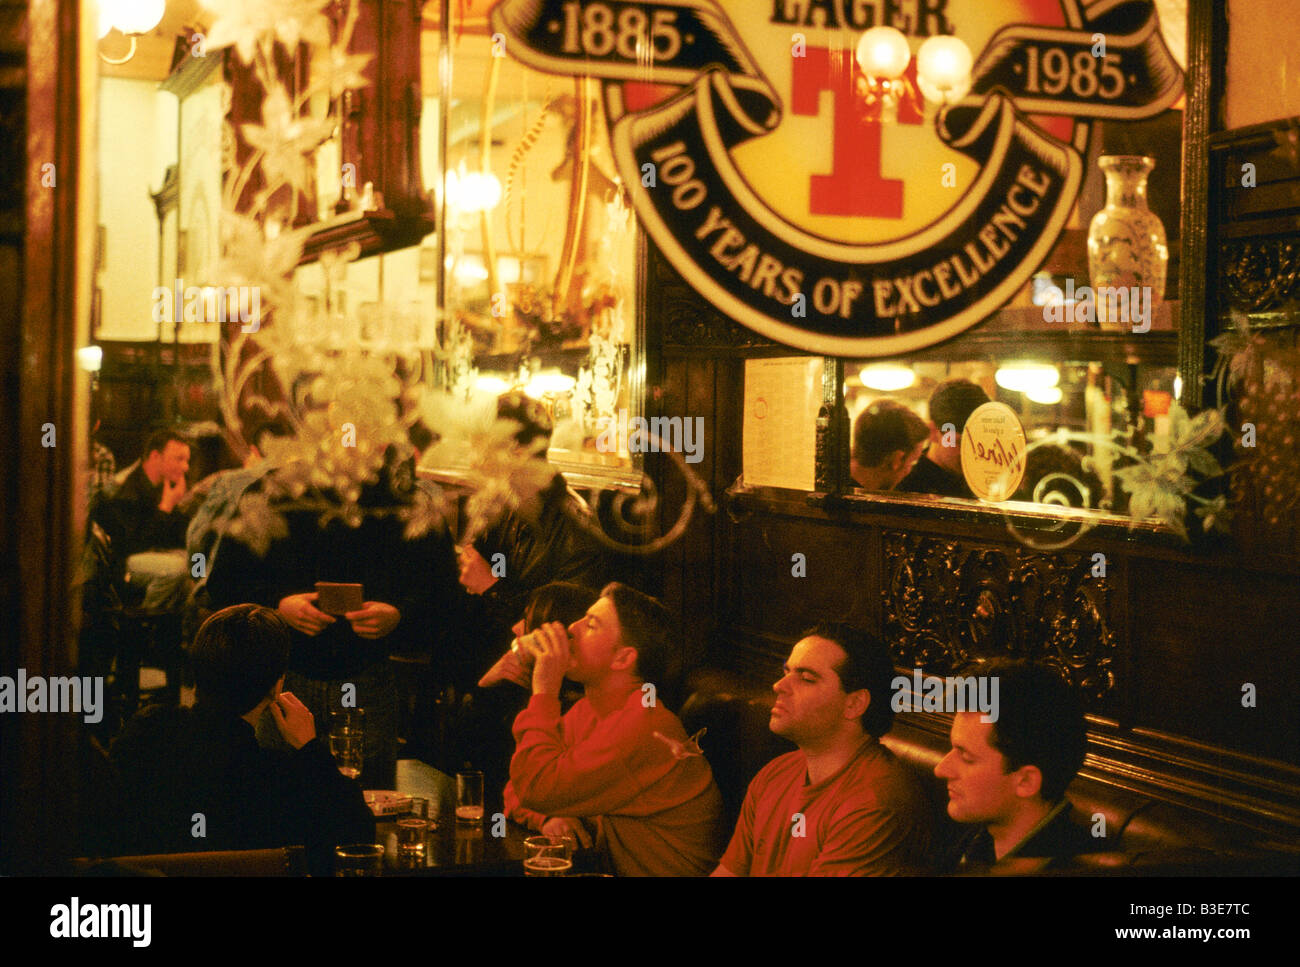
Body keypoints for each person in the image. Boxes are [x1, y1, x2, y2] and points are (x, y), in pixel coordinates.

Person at [205, 445, 463, 789]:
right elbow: (224, 582)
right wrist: (278, 607)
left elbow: (444, 590)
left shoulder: (406, 501)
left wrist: (399, 615)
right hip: (281, 678)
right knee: (277, 805)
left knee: (367, 810)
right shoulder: (275, 492)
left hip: (366, 676)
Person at [108, 604, 375, 874]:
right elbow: (359, 839)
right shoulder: (278, 779)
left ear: (197, 672)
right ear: (277, 684)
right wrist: (309, 749)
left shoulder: (144, 734)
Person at [504, 582, 725, 876]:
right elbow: (518, 787)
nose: (571, 627)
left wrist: (544, 690)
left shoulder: (645, 724)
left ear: (623, 658)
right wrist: (547, 816)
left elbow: (534, 786)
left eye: (591, 625)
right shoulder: (590, 710)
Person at [714, 623, 933, 876]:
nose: (779, 685)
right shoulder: (774, 774)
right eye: (786, 672)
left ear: (854, 703)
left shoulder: (876, 803)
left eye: (806, 678)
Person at [456, 392, 608, 659]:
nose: (473, 461)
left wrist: (491, 588)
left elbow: (564, 633)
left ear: (518, 450)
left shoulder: (576, 526)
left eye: (480, 446)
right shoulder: (501, 508)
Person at [934, 659, 1099, 871]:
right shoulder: (970, 844)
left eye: (966, 757)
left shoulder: (1077, 867)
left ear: (1026, 781)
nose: (940, 769)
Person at [93, 428, 195, 610]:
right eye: (179, 459)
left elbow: (180, 539)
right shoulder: (124, 490)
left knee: (199, 563)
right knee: (178, 569)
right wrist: (166, 508)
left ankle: (179, 631)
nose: (185, 467)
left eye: (187, 460)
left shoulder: (163, 486)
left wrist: (180, 506)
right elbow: (132, 545)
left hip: (152, 554)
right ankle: (142, 624)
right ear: (156, 457)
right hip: (120, 566)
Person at [897, 379, 990, 499]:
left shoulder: (983, 483)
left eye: (979, 443)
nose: (971, 453)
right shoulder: (907, 489)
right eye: (959, 442)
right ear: (933, 433)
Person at [849, 400, 931, 491]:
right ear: (897, 459)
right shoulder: (862, 503)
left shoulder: (835, 482)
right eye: (912, 462)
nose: (909, 470)